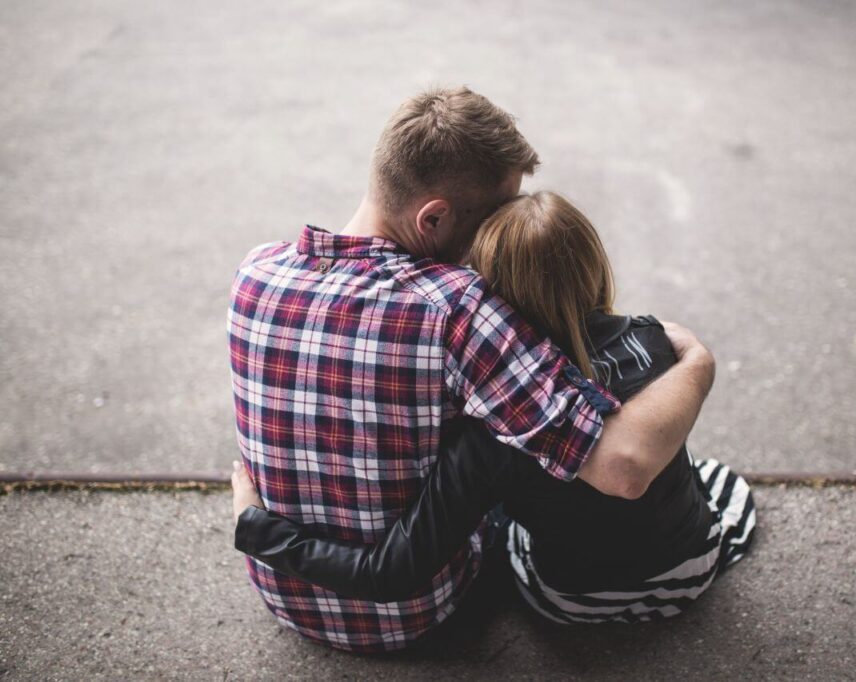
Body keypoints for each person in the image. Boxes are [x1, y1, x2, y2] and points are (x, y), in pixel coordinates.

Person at [227, 87, 717, 652]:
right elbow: (619, 466)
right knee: (517, 461)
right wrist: (698, 364)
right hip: (418, 618)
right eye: (489, 219)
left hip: (283, 592)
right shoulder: (457, 308)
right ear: (433, 217)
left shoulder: (255, 271)